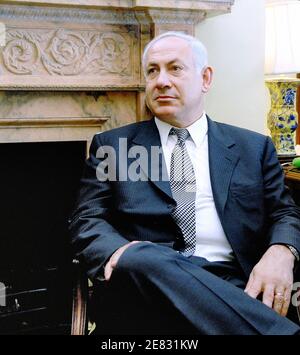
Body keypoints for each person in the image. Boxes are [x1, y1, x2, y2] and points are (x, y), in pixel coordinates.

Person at [69, 32, 300, 335]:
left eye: (175, 68)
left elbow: (285, 212)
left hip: (229, 284)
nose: (161, 80)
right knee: (145, 256)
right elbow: (87, 220)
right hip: (147, 289)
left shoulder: (253, 148)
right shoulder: (113, 146)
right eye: (152, 71)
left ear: (205, 78)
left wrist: (282, 251)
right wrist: (120, 253)